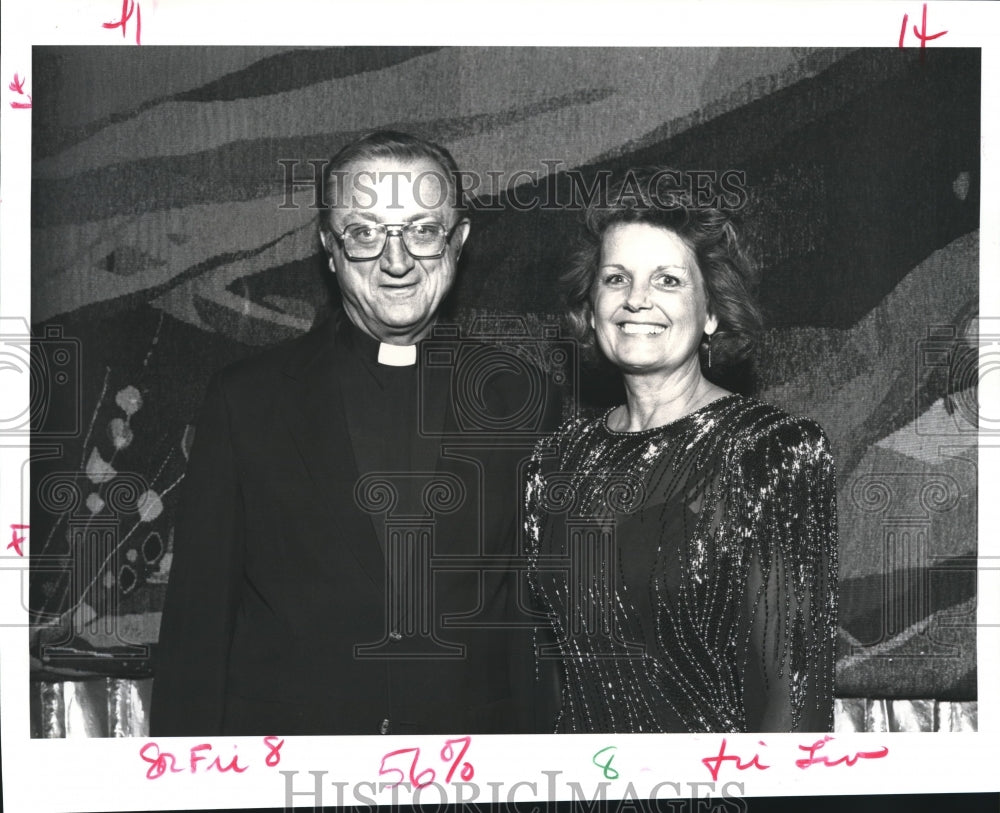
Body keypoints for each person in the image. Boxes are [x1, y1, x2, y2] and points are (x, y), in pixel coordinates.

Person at [152, 131, 557, 736]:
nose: (397, 262)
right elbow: (197, 625)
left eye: (422, 230)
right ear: (329, 248)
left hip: (472, 771)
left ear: (459, 242)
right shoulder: (246, 400)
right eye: (366, 232)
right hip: (287, 769)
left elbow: (538, 627)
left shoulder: (526, 399)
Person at [525, 167, 838, 733]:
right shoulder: (552, 465)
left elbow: (795, 686)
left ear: (713, 312)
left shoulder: (770, 451)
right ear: (591, 308)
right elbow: (548, 669)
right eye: (615, 279)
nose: (636, 299)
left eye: (667, 280)